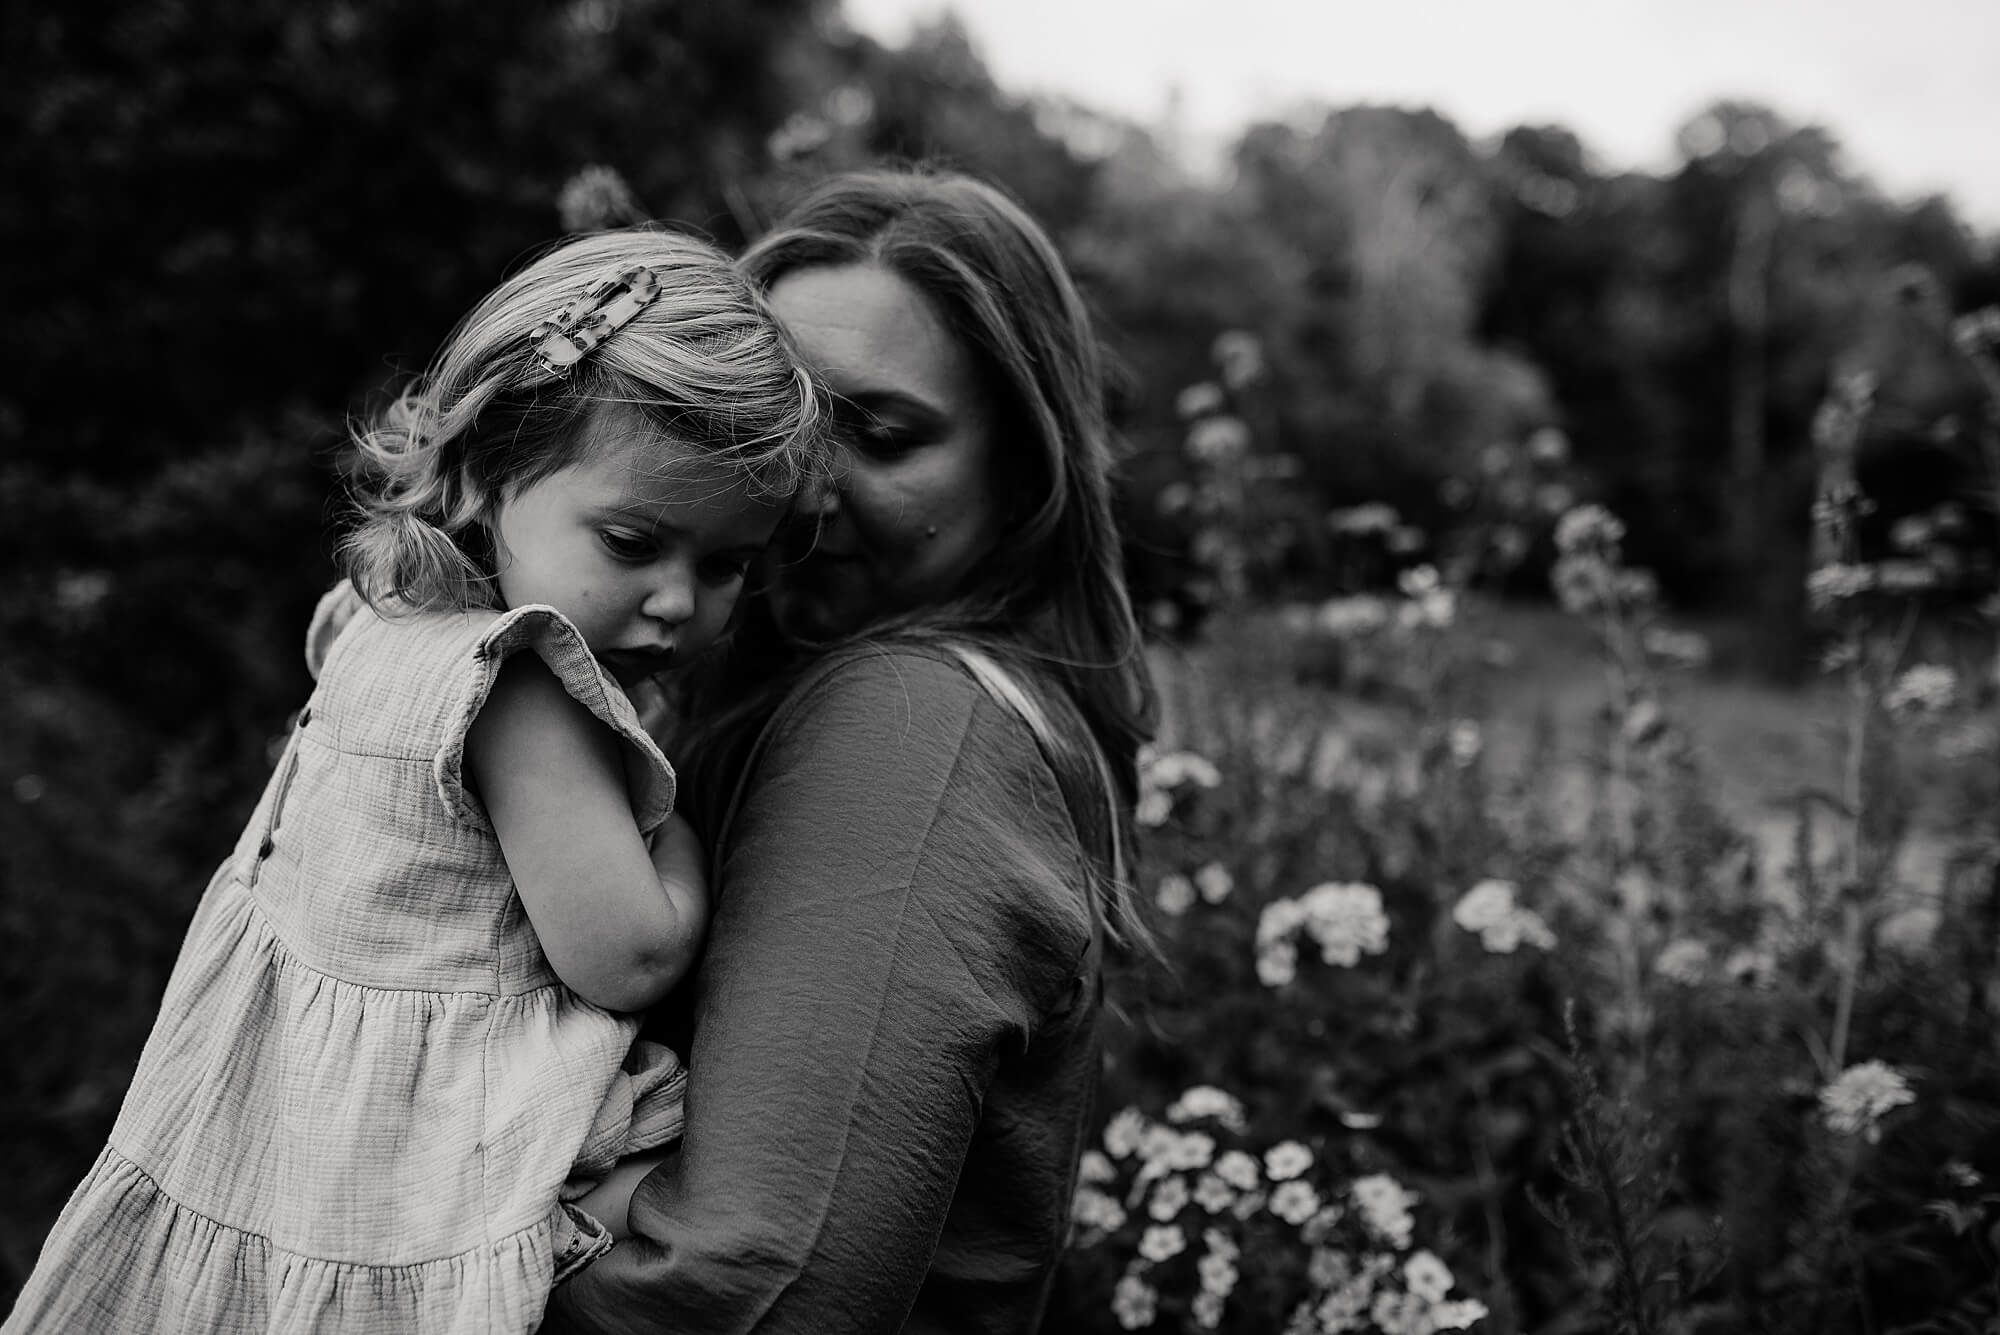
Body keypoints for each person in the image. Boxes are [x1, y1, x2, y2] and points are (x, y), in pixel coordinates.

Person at [3, 228, 827, 1334]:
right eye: (635, 542)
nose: (681, 602)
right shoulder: (521, 688)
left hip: (282, 1117)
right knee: (738, 1236)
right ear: (490, 471)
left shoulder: (375, 616)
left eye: (726, 565)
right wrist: (675, 829)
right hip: (435, 1149)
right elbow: (625, 954)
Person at [542, 167, 1159, 1334]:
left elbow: (759, 1290)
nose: (805, 491)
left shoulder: (914, 727)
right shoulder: (759, 696)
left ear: (1022, 470)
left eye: (880, 434)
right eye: (773, 420)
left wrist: (393, 1230)